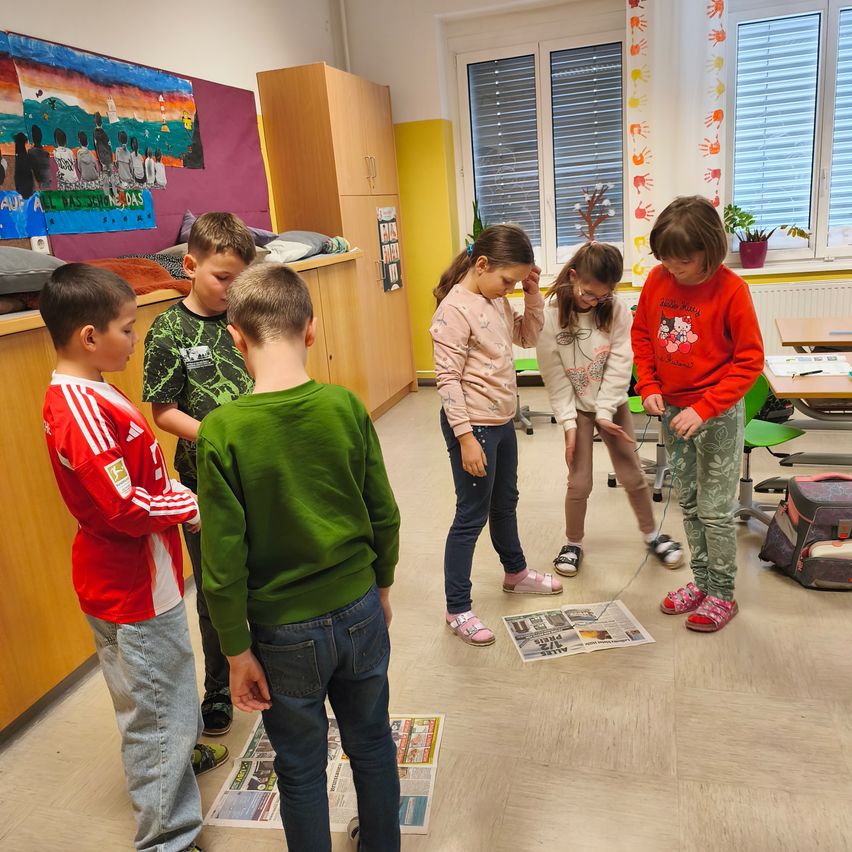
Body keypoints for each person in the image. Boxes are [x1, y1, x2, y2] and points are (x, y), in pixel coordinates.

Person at [196, 263, 401, 852]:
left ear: (234, 336)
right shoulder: (344, 406)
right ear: (311, 330)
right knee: (372, 743)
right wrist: (381, 589)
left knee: (300, 764)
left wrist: (236, 650)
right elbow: (382, 513)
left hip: (282, 631)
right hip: (359, 606)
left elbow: (222, 560)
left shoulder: (222, 429)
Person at [39, 264, 222, 852]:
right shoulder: (79, 408)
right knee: (155, 712)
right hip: (130, 589)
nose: (134, 339)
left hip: (150, 576)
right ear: (89, 336)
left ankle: (181, 758)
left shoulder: (95, 387)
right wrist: (188, 503)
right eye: (126, 328)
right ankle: (167, 837)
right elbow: (122, 504)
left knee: (166, 687)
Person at [143, 212, 256, 736]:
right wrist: (215, 435)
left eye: (241, 278)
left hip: (258, 474)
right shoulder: (168, 329)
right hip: (202, 484)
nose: (232, 290)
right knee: (216, 590)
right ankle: (219, 685)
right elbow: (162, 412)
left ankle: (270, 663)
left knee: (265, 575)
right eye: (222, 277)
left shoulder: (249, 319)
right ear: (190, 265)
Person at [631, 195, 764, 632]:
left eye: (682, 261)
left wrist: (705, 408)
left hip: (718, 412)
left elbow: (748, 362)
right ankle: (702, 584)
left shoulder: (732, 290)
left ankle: (723, 594)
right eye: (665, 260)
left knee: (714, 508)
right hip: (673, 408)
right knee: (687, 500)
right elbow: (643, 336)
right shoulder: (656, 280)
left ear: (709, 250)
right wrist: (649, 385)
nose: (672, 268)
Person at [429, 224, 562, 648]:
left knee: (505, 503)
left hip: (502, 421)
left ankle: (516, 572)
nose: (508, 289)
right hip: (474, 426)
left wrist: (531, 293)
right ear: (481, 264)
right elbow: (446, 378)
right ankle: (457, 608)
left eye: (515, 283)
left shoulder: (496, 299)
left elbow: (526, 336)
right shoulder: (454, 309)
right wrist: (465, 437)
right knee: (471, 515)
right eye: (507, 280)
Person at [536, 241, 684, 577]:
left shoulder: (615, 308)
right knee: (579, 482)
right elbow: (555, 376)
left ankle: (651, 535)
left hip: (611, 402)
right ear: (573, 277)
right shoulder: (550, 315)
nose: (594, 301)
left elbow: (620, 363)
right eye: (588, 294)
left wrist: (605, 411)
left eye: (602, 296)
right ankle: (573, 543)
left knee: (632, 474)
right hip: (576, 404)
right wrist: (569, 425)